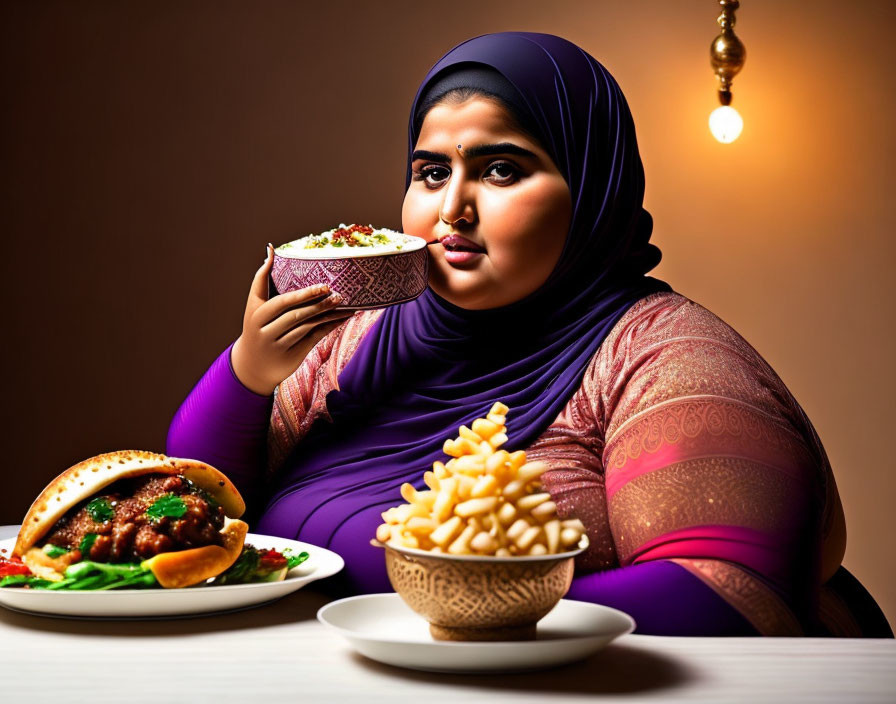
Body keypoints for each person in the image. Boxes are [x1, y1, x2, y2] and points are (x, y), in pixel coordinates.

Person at [167, 31, 891, 637]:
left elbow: (734, 595)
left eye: (502, 170)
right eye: (429, 172)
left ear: (592, 185)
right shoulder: (354, 339)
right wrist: (246, 373)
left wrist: (453, 625)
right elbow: (193, 515)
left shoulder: (661, 355)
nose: (452, 208)